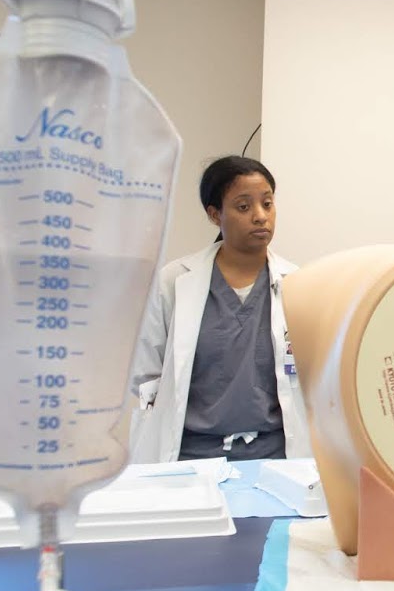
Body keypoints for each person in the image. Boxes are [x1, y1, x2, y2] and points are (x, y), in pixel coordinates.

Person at [130, 156, 309, 464]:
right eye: (243, 207)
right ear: (215, 214)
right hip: (189, 458)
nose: (260, 216)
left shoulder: (298, 284)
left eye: (267, 204)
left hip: (276, 459)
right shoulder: (175, 281)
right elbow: (148, 375)